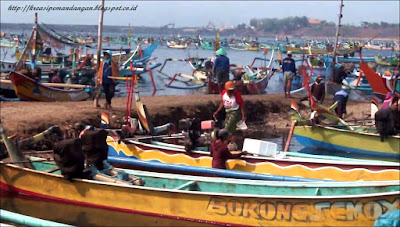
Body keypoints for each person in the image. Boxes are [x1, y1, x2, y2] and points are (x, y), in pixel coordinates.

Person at [213, 81, 245, 146]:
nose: (231, 92)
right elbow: (222, 103)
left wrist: (243, 116)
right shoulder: (223, 94)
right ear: (226, 89)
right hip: (228, 112)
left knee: (227, 129)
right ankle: (233, 144)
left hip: (235, 112)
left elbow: (241, 106)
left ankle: (222, 144)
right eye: (229, 91)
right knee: (231, 130)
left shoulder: (236, 95)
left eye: (232, 90)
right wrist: (217, 111)